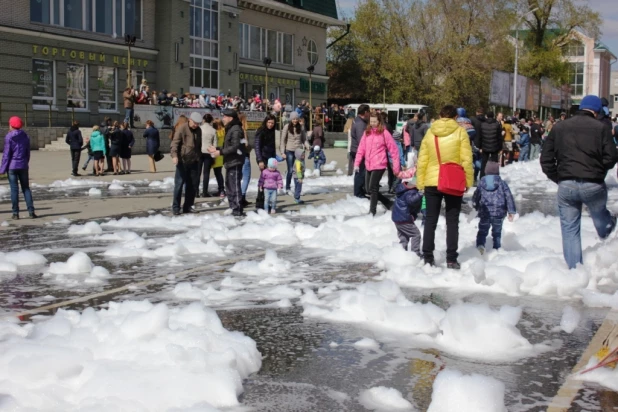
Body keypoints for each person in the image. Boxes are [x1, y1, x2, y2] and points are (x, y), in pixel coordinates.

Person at [540, 94, 617, 269]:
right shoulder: (601, 128)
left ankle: (575, 273)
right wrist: (599, 171)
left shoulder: (560, 127)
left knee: (570, 231)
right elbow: (611, 157)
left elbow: (545, 158)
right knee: (599, 215)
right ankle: (606, 230)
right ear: (596, 111)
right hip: (593, 183)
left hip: (566, 184)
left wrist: (559, 178)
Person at [416, 105, 474, 269]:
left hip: (432, 181)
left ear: (440, 116)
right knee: (452, 221)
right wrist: (468, 181)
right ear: (456, 117)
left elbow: (422, 160)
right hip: (453, 181)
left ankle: (428, 257)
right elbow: (466, 159)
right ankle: (451, 259)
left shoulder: (430, 132)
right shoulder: (460, 132)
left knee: (430, 221)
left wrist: (421, 182)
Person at [353, 114, 401, 216]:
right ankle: (388, 203)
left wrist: (396, 167)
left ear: (379, 121)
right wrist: (357, 163)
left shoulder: (384, 133)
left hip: (380, 164)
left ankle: (372, 212)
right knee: (367, 189)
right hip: (369, 164)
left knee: (373, 188)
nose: (373, 124)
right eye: (371, 121)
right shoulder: (367, 133)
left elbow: (394, 150)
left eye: (375, 121)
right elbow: (361, 149)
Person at [472, 161, 516, 254]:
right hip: (499, 213)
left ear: (486, 171)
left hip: (485, 212)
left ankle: (480, 246)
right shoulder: (502, 183)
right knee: (497, 233)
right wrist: (511, 211)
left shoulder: (481, 182)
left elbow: (476, 195)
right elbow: (508, 196)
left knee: (482, 231)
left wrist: (475, 205)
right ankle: (496, 249)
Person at [208, 109, 245, 216]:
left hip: (235, 161)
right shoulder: (231, 128)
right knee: (229, 185)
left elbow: (235, 147)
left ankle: (237, 209)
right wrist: (216, 148)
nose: (223, 119)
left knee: (234, 186)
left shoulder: (236, 129)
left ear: (230, 118)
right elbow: (228, 146)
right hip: (230, 161)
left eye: (224, 116)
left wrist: (220, 152)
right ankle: (233, 206)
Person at [1, 117, 37, 219]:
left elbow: (6, 154)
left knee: (14, 189)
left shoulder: (9, 137)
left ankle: (15, 213)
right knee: (26, 188)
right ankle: (31, 212)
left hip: (12, 166)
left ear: (11, 125)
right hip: (23, 165)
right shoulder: (25, 136)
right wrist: (25, 162)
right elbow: (27, 152)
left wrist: (2, 169)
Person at [170, 112, 203, 215]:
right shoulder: (182, 128)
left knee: (192, 185)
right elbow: (174, 143)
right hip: (182, 161)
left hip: (194, 161)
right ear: (190, 120)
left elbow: (198, 146)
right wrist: (174, 156)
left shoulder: (199, 130)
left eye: (198, 123)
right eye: (194, 123)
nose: (196, 125)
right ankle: (176, 207)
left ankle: (188, 206)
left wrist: (199, 157)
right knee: (179, 185)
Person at [391, 175, 423, 258]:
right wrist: (420, 194)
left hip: (398, 218)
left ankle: (401, 254)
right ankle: (415, 254)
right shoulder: (411, 191)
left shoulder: (403, 189)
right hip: (404, 218)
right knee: (416, 234)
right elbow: (411, 201)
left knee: (404, 237)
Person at [280, 112, 307, 194]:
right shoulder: (287, 127)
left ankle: (298, 188)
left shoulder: (301, 127)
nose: (295, 120)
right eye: (293, 119)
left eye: (296, 119)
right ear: (291, 119)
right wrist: (282, 152)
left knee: (299, 170)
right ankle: (288, 188)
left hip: (298, 151)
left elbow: (304, 139)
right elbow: (282, 141)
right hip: (289, 151)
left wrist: (308, 146)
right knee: (291, 170)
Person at [350, 104, 371, 197]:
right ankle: (358, 193)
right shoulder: (360, 124)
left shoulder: (357, 120)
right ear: (365, 112)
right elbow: (361, 140)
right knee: (360, 173)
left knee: (360, 172)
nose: (370, 114)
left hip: (356, 150)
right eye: (369, 112)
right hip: (359, 151)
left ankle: (359, 191)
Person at [475, 111, 503, 179]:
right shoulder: (497, 124)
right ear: (493, 116)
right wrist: (500, 147)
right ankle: (495, 177)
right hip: (494, 147)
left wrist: (480, 147)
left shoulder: (482, 124)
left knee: (483, 163)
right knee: (494, 163)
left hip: (485, 147)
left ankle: (482, 177)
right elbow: (499, 137)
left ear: (486, 116)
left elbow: (480, 136)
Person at [199, 114, 217, 197]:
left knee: (197, 172)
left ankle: (195, 192)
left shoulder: (199, 129)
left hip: (199, 152)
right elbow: (215, 145)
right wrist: (214, 156)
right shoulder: (213, 130)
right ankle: (204, 192)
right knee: (206, 173)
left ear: (203, 120)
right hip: (209, 152)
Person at [238, 113, 252, 207]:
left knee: (239, 177)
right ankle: (242, 197)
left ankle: (238, 196)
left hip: (237, 156)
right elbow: (246, 144)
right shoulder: (243, 130)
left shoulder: (234, 129)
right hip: (245, 156)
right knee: (246, 177)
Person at [211, 119, 226, 198]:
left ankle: (221, 190)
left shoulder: (215, 132)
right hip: (221, 153)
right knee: (218, 172)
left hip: (216, 152)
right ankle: (221, 189)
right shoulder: (224, 131)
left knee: (217, 173)